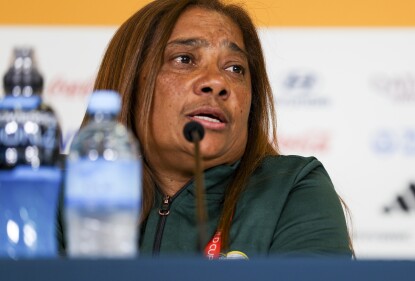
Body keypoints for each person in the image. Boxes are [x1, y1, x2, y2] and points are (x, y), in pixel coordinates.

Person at [63, 0, 354, 258]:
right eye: (185, 59)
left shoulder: (290, 188)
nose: (217, 82)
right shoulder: (61, 188)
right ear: (130, 82)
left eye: (235, 68)